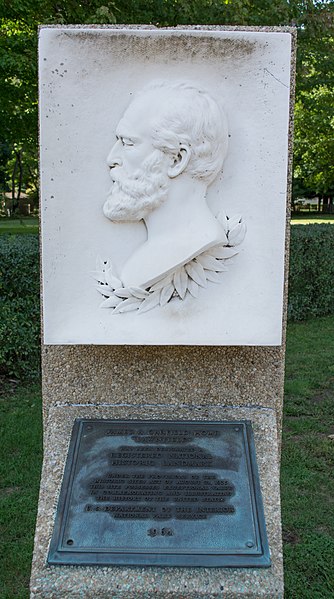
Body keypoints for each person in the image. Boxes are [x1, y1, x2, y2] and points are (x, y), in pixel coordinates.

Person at [103, 80, 229, 289]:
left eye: (128, 143)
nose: (111, 158)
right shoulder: (143, 261)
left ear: (177, 160)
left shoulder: (199, 241)